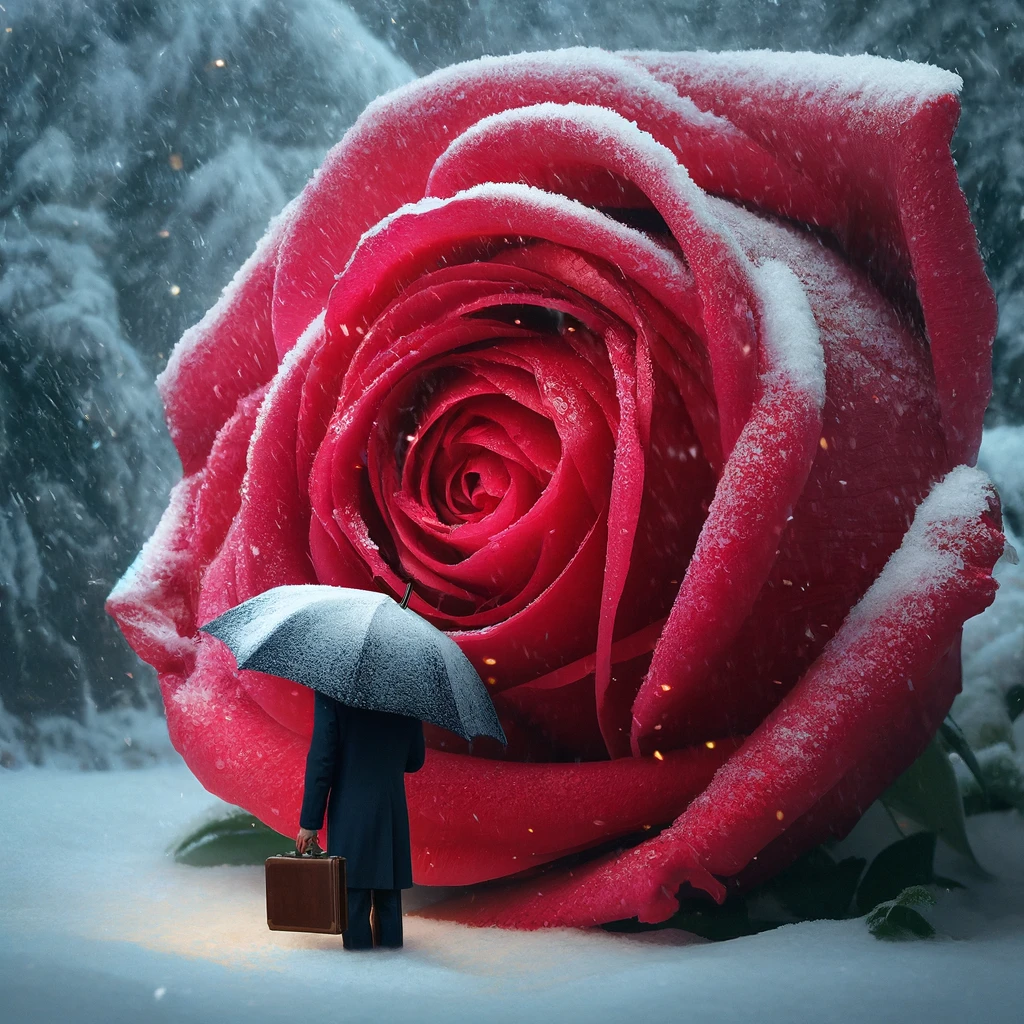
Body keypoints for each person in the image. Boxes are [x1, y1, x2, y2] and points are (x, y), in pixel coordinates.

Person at [296, 689, 426, 950]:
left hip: (350, 809)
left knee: (353, 898)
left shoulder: (332, 691)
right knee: (388, 897)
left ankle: (359, 976)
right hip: (391, 810)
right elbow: (415, 761)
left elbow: (323, 760)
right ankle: (393, 974)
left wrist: (310, 822)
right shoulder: (409, 691)